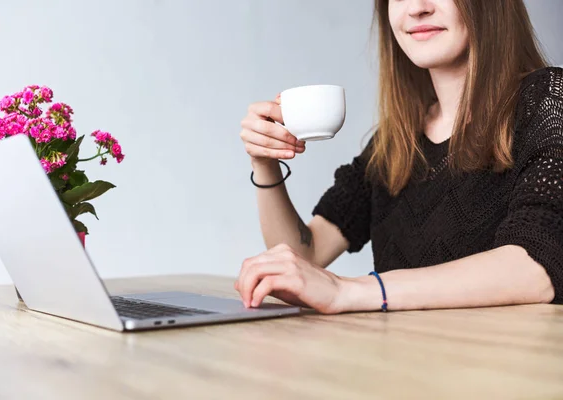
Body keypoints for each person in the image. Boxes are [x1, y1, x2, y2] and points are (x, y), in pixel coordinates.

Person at [235, 0, 563, 314]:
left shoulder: (546, 101)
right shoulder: (395, 144)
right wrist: (265, 163)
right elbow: (305, 255)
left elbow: (538, 265)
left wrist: (352, 291)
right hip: (403, 365)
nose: (417, 7)